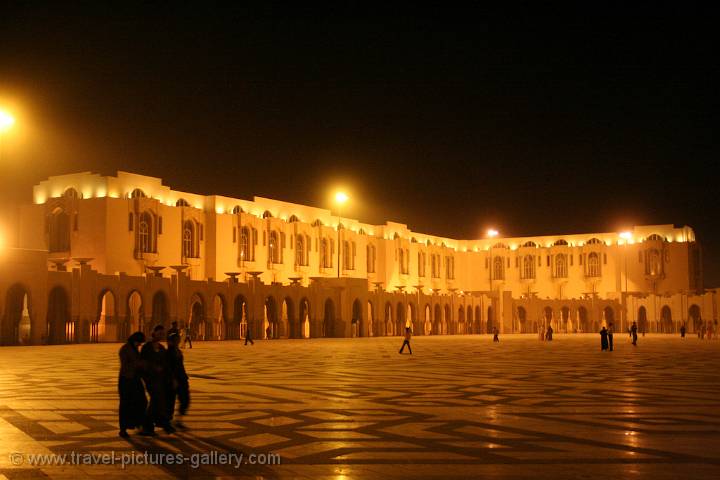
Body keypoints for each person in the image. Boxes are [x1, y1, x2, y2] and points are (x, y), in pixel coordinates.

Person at [140, 325, 175, 435]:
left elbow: (167, 364)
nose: (161, 335)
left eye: (162, 334)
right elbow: (143, 363)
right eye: (159, 333)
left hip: (161, 380)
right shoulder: (147, 347)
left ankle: (154, 425)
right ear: (153, 333)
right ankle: (151, 425)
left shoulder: (161, 347)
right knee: (156, 400)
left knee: (158, 401)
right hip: (150, 379)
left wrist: (171, 378)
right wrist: (153, 368)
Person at [118, 331, 147, 438]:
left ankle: (138, 423)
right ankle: (123, 429)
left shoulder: (134, 349)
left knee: (142, 401)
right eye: (139, 342)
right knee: (125, 404)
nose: (140, 345)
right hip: (126, 379)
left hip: (135, 379)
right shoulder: (125, 349)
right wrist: (139, 364)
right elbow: (126, 365)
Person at [166, 333, 190, 430]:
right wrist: (173, 379)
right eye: (175, 340)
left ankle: (178, 420)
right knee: (170, 402)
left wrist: (184, 377)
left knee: (185, 399)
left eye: (178, 340)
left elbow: (181, 365)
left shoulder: (178, 351)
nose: (177, 342)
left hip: (182, 378)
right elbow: (168, 368)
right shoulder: (168, 353)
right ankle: (168, 422)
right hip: (173, 380)